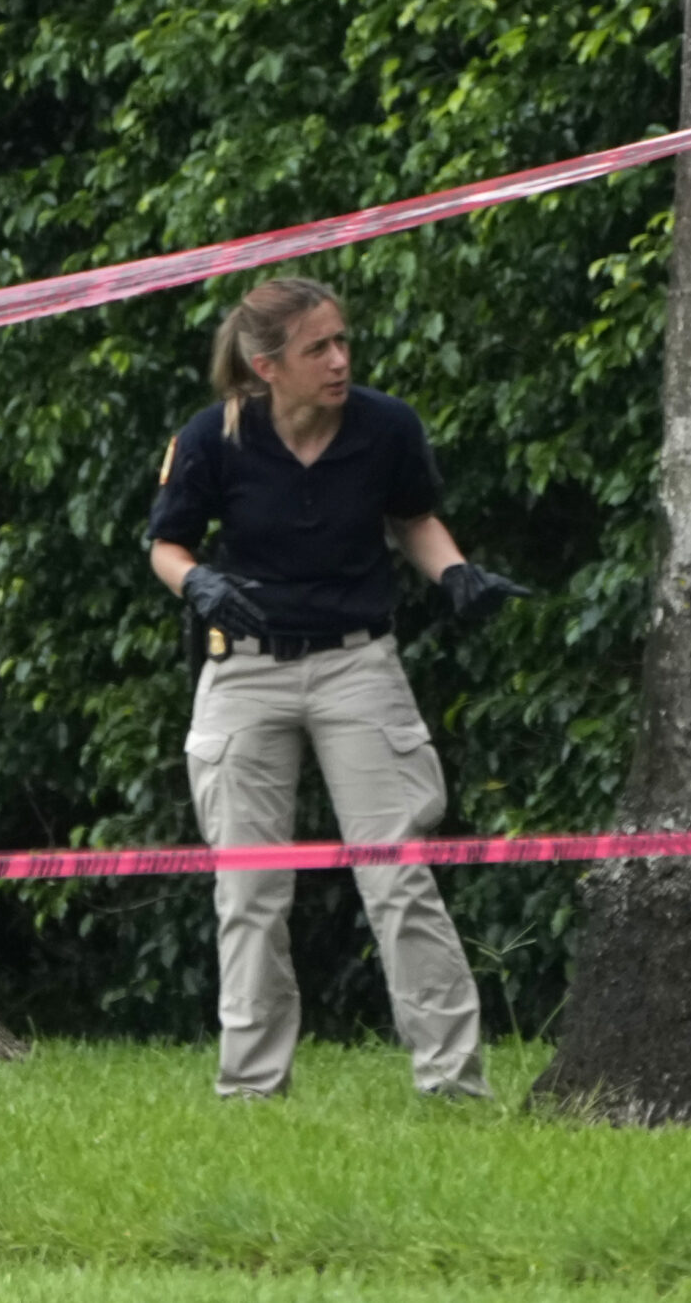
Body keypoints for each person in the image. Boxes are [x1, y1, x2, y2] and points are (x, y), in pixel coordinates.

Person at [146, 275, 525, 1100]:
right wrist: (198, 584)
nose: (340, 359)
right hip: (244, 670)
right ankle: (251, 1093)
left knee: (399, 879)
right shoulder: (214, 436)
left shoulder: (386, 427)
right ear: (265, 364)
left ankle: (455, 1089)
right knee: (249, 890)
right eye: (318, 347)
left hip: (359, 665)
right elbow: (166, 545)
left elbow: (414, 516)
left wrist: (455, 573)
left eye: (342, 340)